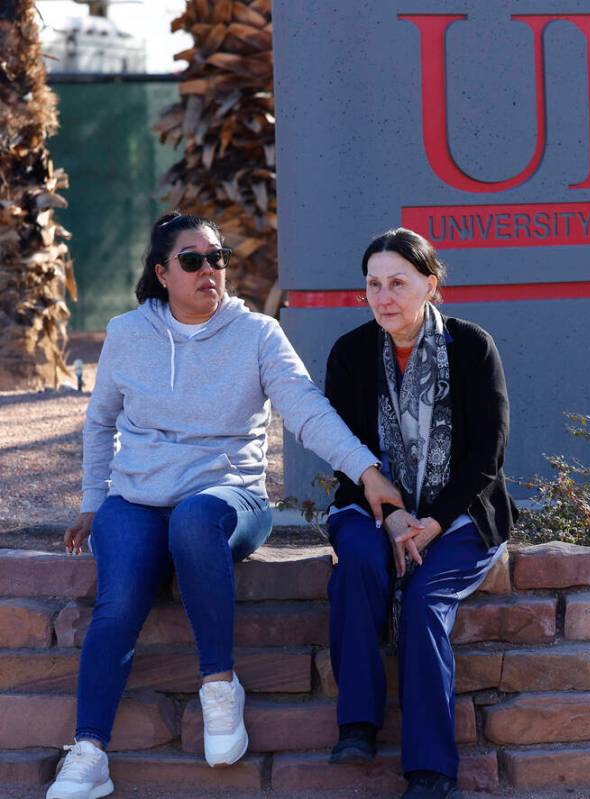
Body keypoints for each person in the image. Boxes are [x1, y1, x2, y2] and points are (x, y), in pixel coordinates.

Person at [46, 212, 403, 799]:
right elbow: (100, 421)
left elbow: (307, 410)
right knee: (117, 606)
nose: (210, 270)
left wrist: (366, 471)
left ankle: (219, 685)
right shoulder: (128, 333)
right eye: (193, 260)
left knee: (193, 518)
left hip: (229, 498)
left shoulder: (258, 333)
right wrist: (92, 501)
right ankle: (89, 753)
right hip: (137, 499)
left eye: (218, 258)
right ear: (162, 272)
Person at [323, 228, 516, 799]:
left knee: (427, 598)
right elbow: (345, 454)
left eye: (398, 283)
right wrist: (391, 518)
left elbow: (489, 455)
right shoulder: (352, 353)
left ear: (430, 285)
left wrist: (430, 522)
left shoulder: (472, 347)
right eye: (373, 285)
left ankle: (431, 771)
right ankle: (357, 725)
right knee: (358, 565)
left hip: (459, 515)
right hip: (372, 507)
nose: (384, 297)